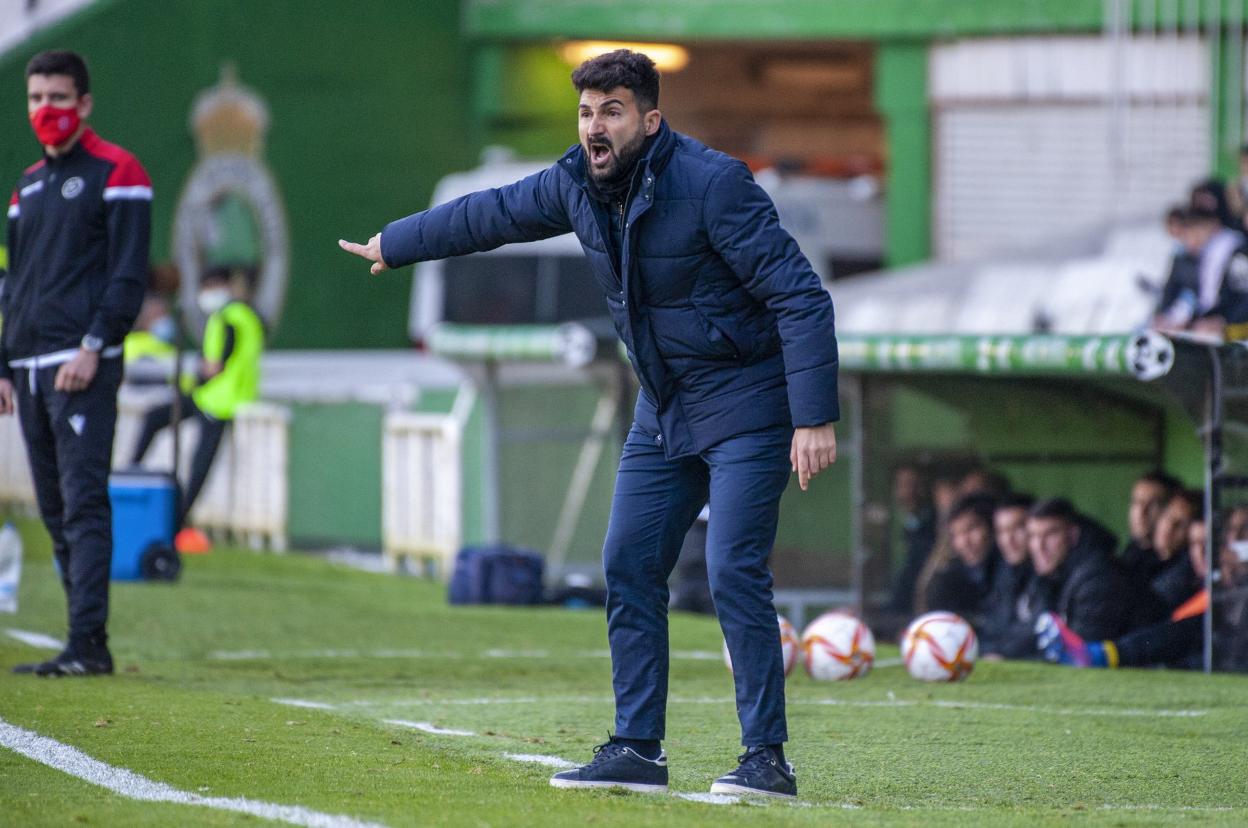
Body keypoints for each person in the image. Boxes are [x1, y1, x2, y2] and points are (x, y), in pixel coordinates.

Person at [340, 49, 839, 799]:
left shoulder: (715, 186)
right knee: (628, 565)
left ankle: (767, 760)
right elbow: (492, 214)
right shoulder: (576, 181)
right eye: (585, 112)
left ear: (649, 120)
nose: (594, 126)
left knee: (733, 568)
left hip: (747, 404)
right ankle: (638, 748)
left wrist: (814, 418)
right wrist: (399, 242)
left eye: (611, 111)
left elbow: (802, 298)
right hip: (665, 408)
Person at [1, 51, 151, 676]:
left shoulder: (119, 172)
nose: (46, 110)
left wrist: (94, 346)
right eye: (36, 99)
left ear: (83, 104)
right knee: (55, 509)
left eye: (58, 98)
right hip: (30, 368)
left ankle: (89, 643)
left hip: (79, 365)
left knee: (84, 502)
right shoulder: (26, 188)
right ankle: (81, 641)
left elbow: (128, 272)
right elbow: (13, 283)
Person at [129, 265, 264, 527]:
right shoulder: (250, 317)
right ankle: (174, 516)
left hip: (216, 399)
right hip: (229, 398)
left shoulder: (226, 318)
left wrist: (203, 371)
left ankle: (168, 513)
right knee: (194, 463)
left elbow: (215, 365)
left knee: (194, 464)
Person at [979, 493, 1036, 658]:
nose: (1008, 540)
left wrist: (1003, 653)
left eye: (1018, 528)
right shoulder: (1003, 573)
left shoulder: (1048, 577)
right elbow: (992, 629)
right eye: (1001, 531)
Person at [887, 463, 936, 615]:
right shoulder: (894, 523)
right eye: (902, 485)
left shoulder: (931, 526)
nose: (908, 491)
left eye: (914, 485)